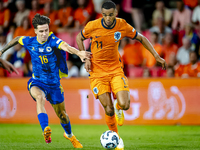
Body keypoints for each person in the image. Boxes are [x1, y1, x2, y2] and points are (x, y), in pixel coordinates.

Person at [76, 1, 166, 150]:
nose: (108, 18)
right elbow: (79, 38)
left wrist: (156, 56)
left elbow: (142, 38)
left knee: (125, 105)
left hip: (115, 70)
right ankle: (117, 139)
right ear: (101, 13)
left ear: (116, 13)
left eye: (111, 15)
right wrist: (84, 57)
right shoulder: (92, 25)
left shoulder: (122, 25)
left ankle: (119, 106)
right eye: (105, 15)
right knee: (108, 109)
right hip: (97, 73)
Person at [0, 14, 91, 148]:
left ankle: (70, 135)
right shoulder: (30, 41)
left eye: (46, 30)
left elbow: (66, 46)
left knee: (63, 115)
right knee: (39, 97)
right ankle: (45, 129)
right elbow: (18, 39)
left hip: (54, 85)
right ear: (35, 31)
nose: (44, 34)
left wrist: (78, 53)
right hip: (37, 82)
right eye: (41, 31)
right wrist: (2, 50)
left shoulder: (53, 40)